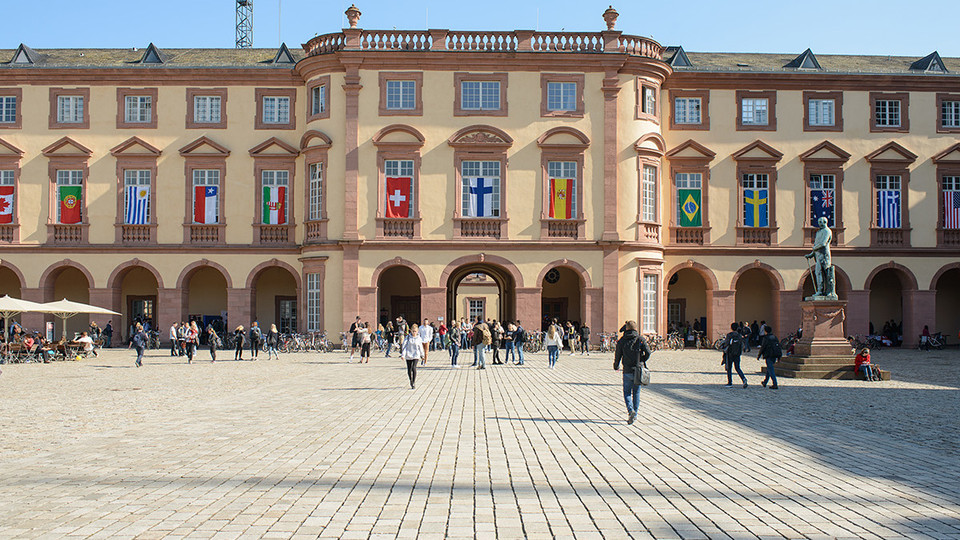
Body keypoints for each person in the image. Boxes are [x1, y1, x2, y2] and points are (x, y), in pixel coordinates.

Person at [614, 320, 651, 425]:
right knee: (636, 392)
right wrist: (642, 359)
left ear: (626, 329)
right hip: (638, 370)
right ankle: (635, 413)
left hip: (627, 370)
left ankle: (631, 411)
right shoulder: (640, 339)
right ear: (636, 328)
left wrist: (616, 365)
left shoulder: (622, 341)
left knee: (627, 393)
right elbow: (648, 352)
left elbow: (618, 355)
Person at [722, 322, 748, 388]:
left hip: (730, 353)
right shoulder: (739, 335)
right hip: (737, 354)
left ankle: (730, 382)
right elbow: (742, 345)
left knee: (729, 368)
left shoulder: (729, 335)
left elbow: (726, 343)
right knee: (737, 368)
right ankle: (744, 379)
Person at [757, 325, 781, 389]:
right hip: (774, 355)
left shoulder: (766, 338)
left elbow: (763, 347)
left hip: (768, 355)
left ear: (765, 331)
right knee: (769, 368)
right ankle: (765, 382)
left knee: (771, 369)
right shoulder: (775, 337)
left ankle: (775, 383)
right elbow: (778, 347)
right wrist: (779, 356)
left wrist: (759, 355)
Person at [401, 323, 424, 389]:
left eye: (415, 331)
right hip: (408, 354)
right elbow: (404, 347)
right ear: (410, 331)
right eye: (413, 331)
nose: (414, 332)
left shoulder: (419, 338)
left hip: (416, 355)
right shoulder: (408, 338)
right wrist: (403, 355)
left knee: (414, 367)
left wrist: (422, 355)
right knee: (409, 369)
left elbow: (420, 347)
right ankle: (410, 380)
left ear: (417, 331)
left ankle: (413, 382)